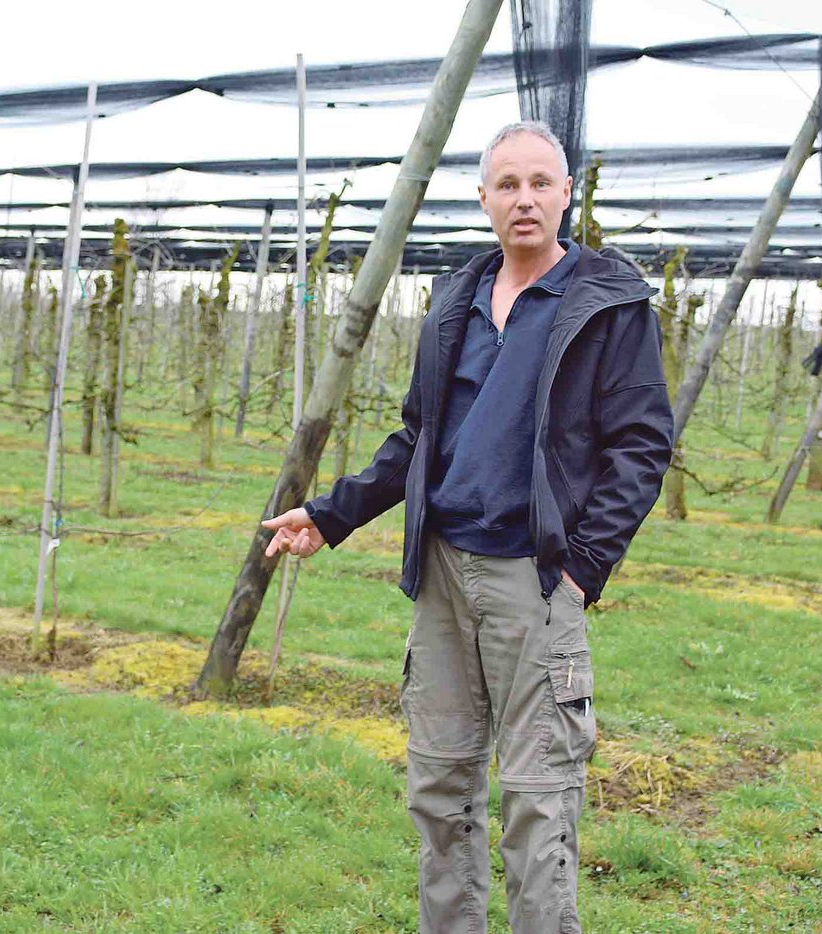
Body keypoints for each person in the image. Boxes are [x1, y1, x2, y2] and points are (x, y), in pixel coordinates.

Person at [262, 120, 674, 933]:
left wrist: (583, 565)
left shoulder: (609, 304)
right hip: (444, 576)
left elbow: (642, 445)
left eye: (541, 183)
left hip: (535, 578)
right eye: (507, 185)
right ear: (484, 198)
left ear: (566, 195)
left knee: (538, 798)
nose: (525, 200)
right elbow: (422, 437)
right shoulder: (455, 300)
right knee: (440, 788)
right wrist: (333, 512)